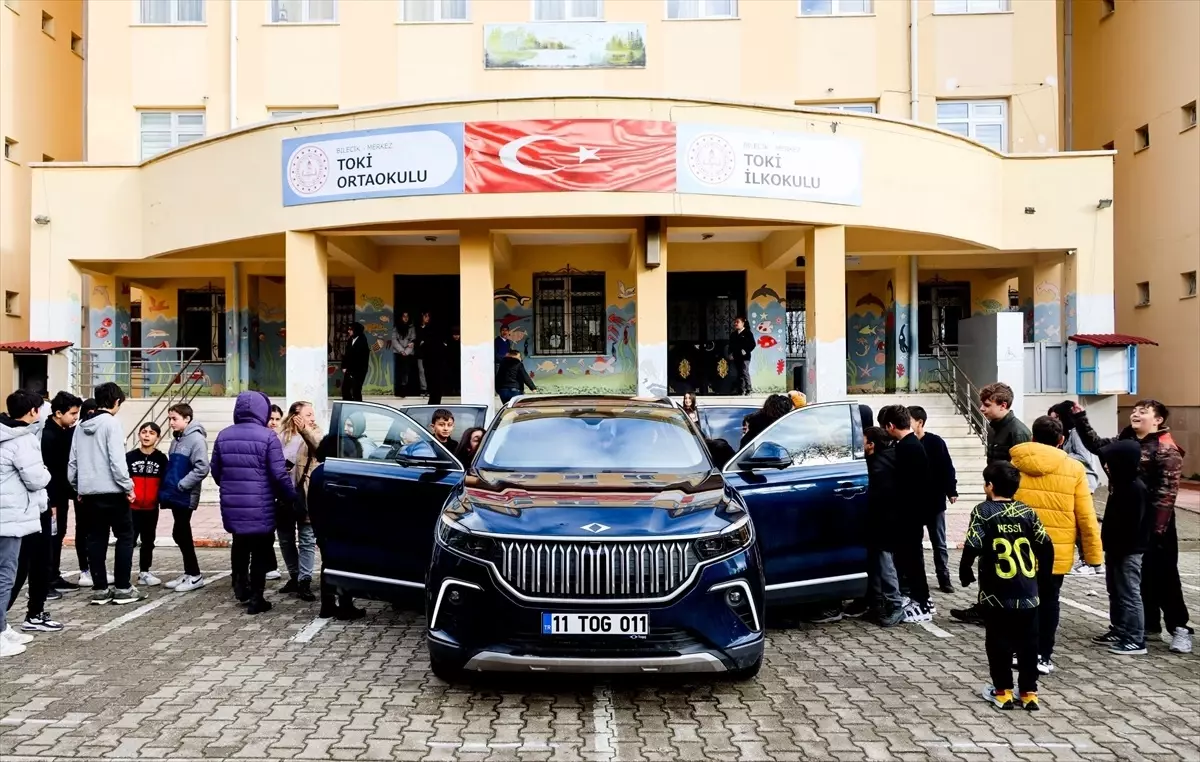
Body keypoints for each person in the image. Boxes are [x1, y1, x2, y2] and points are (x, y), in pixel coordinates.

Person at [1072, 398, 1190, 654]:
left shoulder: (1165, 448)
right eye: (1135, 410)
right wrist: (1080, 418)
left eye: (1143, 412)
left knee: (1164, 576)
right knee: (1134, 578)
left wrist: (1155, 532)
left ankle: (1179, 628)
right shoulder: (1125, 439)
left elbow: (1166, 495)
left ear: (1158, 420)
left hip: (1157, 523)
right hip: (1127, 519)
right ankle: (1145, 626)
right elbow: (1097, 446)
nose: (1136, 414)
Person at [1009, 415, 1102, 674]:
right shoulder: (1074, 469)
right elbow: (1085, 515)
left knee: (1020, 601)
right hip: (1055, 551)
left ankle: (1019, 651)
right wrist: (1094, 556)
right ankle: (1042, 655)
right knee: (1049, 602)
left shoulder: (1014, 464)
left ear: (1032, 437)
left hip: (1018, 548)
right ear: (1061, 440)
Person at [960, 462, 1052, 712]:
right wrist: (1043, 576)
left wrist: (964, 569)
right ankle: (1030, 693)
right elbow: (1045, 543)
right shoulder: (1027, 511)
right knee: (1029, 643)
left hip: (996, 594)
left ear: (989, 486)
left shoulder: (983, 511)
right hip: (1027, 593)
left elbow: (973, 544)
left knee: (998, 642)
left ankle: (1002, 692)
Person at [210, 392, 297, 615]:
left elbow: (216, 471)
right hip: (261, 502)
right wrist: (290, 496)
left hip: (233, 501)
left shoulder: (223, 435)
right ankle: (257, 598)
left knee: (239, 543)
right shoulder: (268, 437)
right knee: (260, 548)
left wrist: (230, 486)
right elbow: (278, 474)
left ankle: (240, 587)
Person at [69, 382, 143, 606]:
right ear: (116, 401)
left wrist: (78, 487)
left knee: (96, 539)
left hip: (89, 493)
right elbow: (117, 461)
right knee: (125, 537)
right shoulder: (112, 424)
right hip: (113, 491)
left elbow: (73, 463)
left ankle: (100, 588)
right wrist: (128, 487)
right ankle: (122, 587)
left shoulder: (81, 426)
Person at [1, 390, 56, 654]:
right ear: (33, 411)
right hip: (10, 516)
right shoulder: (23, 438)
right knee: (5, 575)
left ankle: (3, 627)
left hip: (8, 512)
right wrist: (46, 473)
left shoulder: (4, 431)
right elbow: (36, 478)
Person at [1092, 440, 1154, 656]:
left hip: (1128, 551)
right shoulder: (1120, 483)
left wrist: (1118, 546)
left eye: (1110, 461)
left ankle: (1136, 639)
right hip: (1115, 548)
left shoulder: (1135, 488)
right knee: (1115, 591)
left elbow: (1132, 526)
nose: (1106, 466)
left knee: (1129, 593)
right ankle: (1119, 629)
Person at [877, 404, 934, 623]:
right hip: (912, 514)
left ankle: (923, 602)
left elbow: (907, 484)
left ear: (890, 426)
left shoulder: (906, 448)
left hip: (908, 515)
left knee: (913, 561)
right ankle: (918, 599)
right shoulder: (911, 444)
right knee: (909, 559)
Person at [845, 426, 905, 627]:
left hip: (883, 521)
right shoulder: (887, 458)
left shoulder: (878, 465)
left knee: (884, 562)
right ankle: (878, 603)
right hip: (884, 520)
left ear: (871, 445)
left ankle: (895, 605)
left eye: (863, 440)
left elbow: (879, 496)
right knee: (877, 561)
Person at [311, 433, 366, 621]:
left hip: (325, 528)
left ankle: (327, 606)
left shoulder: (318, 473)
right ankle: (345, 605)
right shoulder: (346, 472)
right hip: (344, 526)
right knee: (346, 566)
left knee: (327, 565)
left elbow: (313, 505)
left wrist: (318, 531)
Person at [156, 403, 208, 592]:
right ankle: (189, 572)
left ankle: (195, 575)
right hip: (176, 495)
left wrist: (182, 485)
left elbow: (202, 467)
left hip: (185, 495)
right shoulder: (177, 439)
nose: (171, 422)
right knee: (180, 533)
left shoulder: (196, 439)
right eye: (170, 418)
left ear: (187, 419)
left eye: (174, 419)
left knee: (181, 533)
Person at [1048, 402, 1104, 576]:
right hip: (1075, 481)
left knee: (1083, 523)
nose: (1054, 423)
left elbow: (1083, 456)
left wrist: (1059, 456)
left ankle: (1089, 561)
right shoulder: (1067, 435)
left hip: (1084, 481)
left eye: (1055, 418)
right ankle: (1087, 561)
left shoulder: (1076, 434)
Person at [909, 406, 958, 594]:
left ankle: (944, 577)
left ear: (919, 422)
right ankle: (917, 577)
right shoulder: (905, 442)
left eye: (910, 420)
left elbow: (947, 467)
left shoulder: (935, 442)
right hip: (914, 503)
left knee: (939, 542)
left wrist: (951, 490)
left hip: (934, 501)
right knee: (915, 542)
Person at [278, 401, 320, 602]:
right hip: (284, 496)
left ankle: (305, 580)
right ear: (295, 416)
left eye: (313, 414)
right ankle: (294, 576)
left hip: (305, 495)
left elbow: (320, 449)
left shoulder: (315, 433)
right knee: (285, 539)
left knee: (306, 539)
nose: (313, 417)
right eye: (308, 414)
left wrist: (306, 430)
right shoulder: (281, 437)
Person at [42, 391, 84, 592]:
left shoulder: (65, 432)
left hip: (61, 495)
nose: (76, 417)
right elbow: (49, 470)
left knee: (58, 535)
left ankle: (54, 575)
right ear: (58, 413)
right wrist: (49, 502)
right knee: (49, 538)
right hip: (50, 498)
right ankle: (45, 581)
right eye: (73, 413)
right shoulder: (48, 435)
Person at [127, 422, 168, 588]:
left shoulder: (161, 459)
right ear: (139, 435)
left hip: (151, 508)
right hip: (131, 508)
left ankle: (144, 571)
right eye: (143, 432)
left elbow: (165, 481)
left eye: (151, 433)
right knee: (128, 540)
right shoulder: (129, 457)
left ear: (157, 437)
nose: (146, 435)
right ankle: (123, 572)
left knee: (148, 541)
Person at [980, 383, 1032, 464]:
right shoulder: (994, 428)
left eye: (987, 405)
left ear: (1003, 406)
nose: (981, 408)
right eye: (982, 404)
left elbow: (1023, 468)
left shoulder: (1019, 432)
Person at [341, 322, 370, 402]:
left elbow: (359, 359)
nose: (348, 331)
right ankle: (348, 407)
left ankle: (357, 408)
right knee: (345, 389)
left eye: (350, 329)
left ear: (356, 330)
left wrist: (351, 371)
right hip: (349, 370)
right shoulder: (351, 340)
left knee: (356, 390)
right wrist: (344, 366)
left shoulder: (362, 341)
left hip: (358, 371)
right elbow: (346, 354)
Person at [729, 316, 756, 396]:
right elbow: (731, 345)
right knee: (739, 373)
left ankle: (749, 388)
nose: (736, 323)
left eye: (738, 322)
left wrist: (746, 350)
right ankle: (741, 389)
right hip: (736, 356)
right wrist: (730, 353)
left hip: (745, 357)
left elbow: (753, 344)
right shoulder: (733, 334)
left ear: (743, 323)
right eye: (735, 322)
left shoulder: (748, 333)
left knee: (744, 371)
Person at [392, 312, 417, 396]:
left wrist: (406, 352)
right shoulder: (396, 327)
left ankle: (404, 389)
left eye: (407, 316)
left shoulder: (412, 327)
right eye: (404, 316)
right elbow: (394, 340)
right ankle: (398, 389)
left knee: (406, 372)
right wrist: (401, 351)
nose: (405, 318)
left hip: (408, 353)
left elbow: (413, 340)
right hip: (398, 353)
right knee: (398, 372)